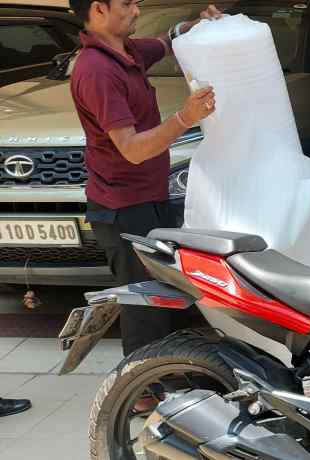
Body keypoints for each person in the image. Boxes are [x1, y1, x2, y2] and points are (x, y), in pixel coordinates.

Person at [68, 0, 221, 355]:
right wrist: (185, 118)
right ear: (98, 9)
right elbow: (132, 149)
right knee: (146, 312)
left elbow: (167, 40)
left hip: (149, 199)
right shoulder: (97, 71)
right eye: (127, 3)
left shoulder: (128, 51)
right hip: (124, 209)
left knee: (168, 304)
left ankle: (169, 375)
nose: (136, 11)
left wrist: (195, 26)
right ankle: (140, 383)